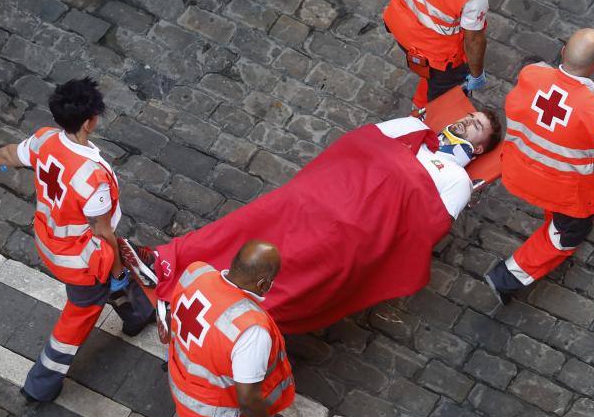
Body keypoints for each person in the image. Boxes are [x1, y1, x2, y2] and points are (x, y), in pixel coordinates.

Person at [124, 112, 501, 334]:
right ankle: (165, 262)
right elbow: (362, 142)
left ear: (480, 148)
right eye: (469, 117)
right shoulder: (412, 131)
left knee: (290, 274)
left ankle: (211, 318)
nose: (467, 121)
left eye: (476, 126)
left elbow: (423, 227)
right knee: (244, 227)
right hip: (318, 195)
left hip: (351, 230)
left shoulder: (456, 179)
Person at [0, 78, 154, 402]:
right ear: (90, 121)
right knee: (80, 314)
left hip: (49, 239)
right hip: (81, 258)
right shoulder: (93, 174)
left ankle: (137, 315)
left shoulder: (44, 140)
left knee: (115, 271)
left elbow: (13, 154)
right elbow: (103, 232)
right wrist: (115, 274)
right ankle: (40, 384)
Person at [485, 28, 594, 303]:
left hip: (524, 169)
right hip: (568, 191)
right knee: (566, 236)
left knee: (557, 216)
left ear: (562, 52)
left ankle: (551, 222)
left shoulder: (532, 73)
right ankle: (506, 277)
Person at [161, 241, 294, 417]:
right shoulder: (251, 330)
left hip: (181, 387)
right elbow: (248, 400)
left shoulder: (196, 271)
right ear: (263, 284)